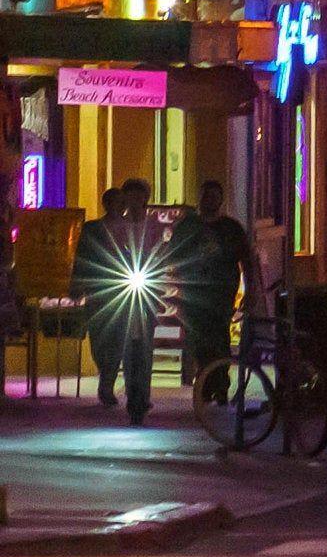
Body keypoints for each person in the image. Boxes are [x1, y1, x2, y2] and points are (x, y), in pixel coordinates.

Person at [75, 182, 164, 422]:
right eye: (130, 199)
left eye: (139, 198)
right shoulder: (114, 227)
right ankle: (120, 387)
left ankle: (140, 398)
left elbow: (160, 255)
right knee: (118, 342)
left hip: (145, 293)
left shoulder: (153, 226)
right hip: (119, 292)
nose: (134, 204)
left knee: (143, 348)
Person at [167, 179, 254, 383]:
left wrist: (251, 291)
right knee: (196, 337)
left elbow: (246, 261)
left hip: (221, 292)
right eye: (206, 196)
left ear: (221, 200)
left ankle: (219, 380)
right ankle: (205, 379)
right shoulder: (188, 226)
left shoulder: (230, 228)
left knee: (219, 335)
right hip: (193, 292)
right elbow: (172, 256)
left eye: (214, 196)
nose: (209, 200)